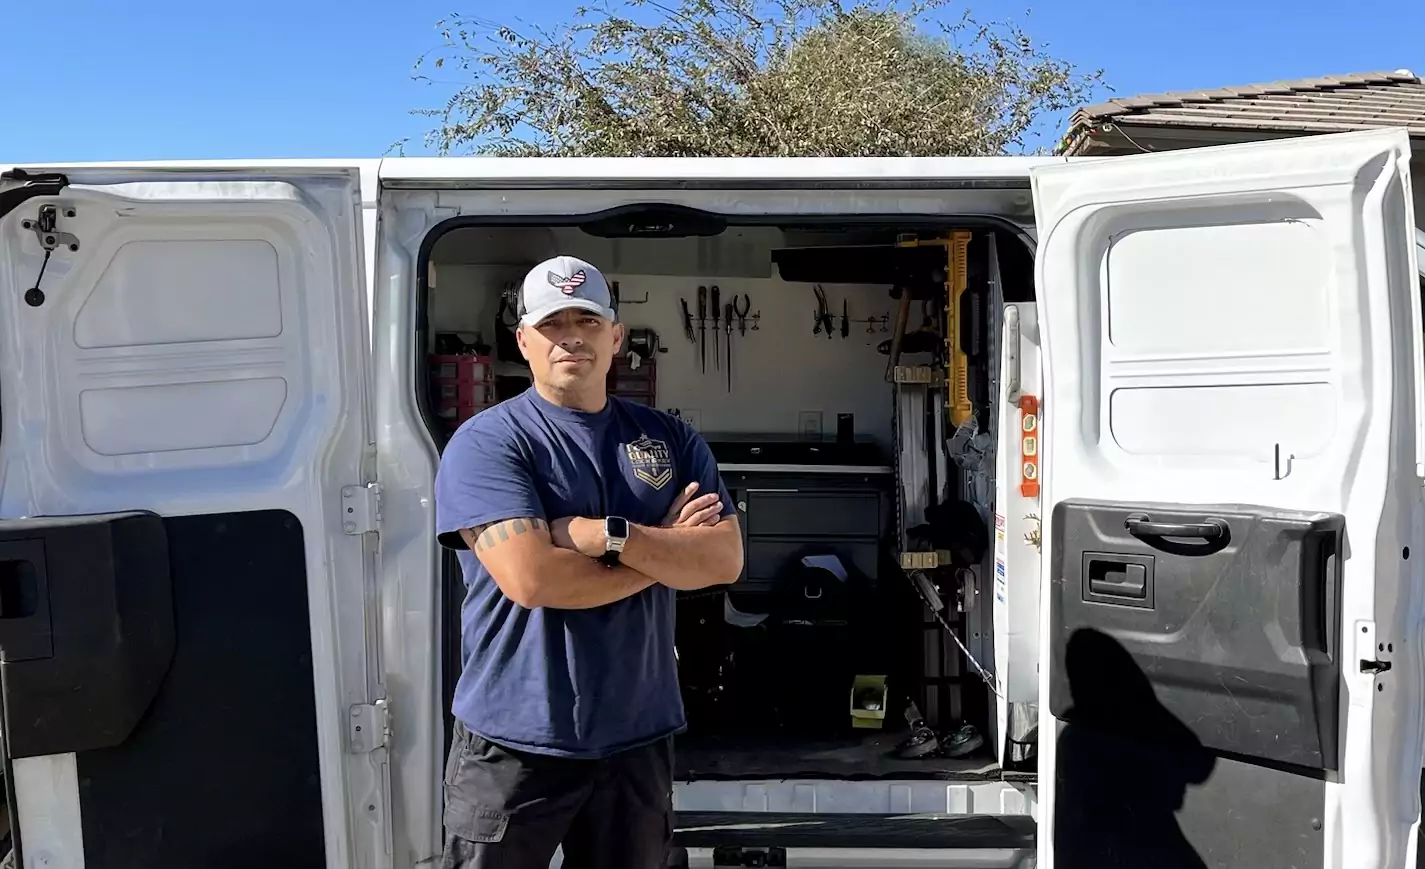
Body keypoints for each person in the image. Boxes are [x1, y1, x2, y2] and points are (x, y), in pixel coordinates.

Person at [434, 255, 745, 869]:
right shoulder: (489, 443)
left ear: (616, 336)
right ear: (523, 340)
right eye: (552, 324)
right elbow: (534, 578)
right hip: (515, 741)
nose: (571, 336)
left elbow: (723, 560)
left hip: (636, 737)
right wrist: (665, 551)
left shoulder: (669, 439)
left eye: (587, 319)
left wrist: (606, 535)